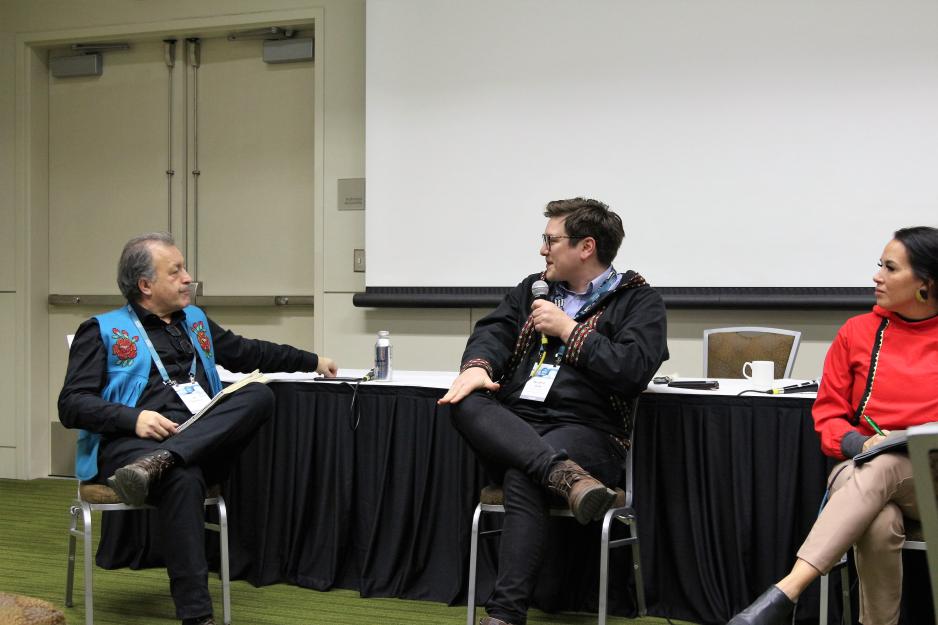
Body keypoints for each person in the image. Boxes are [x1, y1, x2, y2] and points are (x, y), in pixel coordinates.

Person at [58, 232, 338, 625]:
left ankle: (167, 459)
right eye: (176, 271)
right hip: (129, 445)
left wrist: (311, 360)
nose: (188, 277)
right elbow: (71, 404)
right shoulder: (101, 330)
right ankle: (197, 616)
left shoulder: (195, 321)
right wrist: (132, 417)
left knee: (257, 395)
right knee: (183, 479)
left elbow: (248, 353)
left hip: (194, 435)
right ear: (145, 285)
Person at [439, 197, 669, 625]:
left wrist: (569, 330)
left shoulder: (639, 302)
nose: (542, 250)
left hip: (590, 429)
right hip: (519, 421)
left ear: (585, 247)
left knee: (524, 472)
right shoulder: (532, 289)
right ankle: (564, 476)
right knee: (464, 400)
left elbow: (632, 370)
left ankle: (505, 615)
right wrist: (476, 368)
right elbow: (494, 332)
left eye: (550, 240)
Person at [728, 226, 938, 625]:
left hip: (932, 476)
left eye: (890, 268)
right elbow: (827, 416)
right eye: (880, 266)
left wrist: (905, 440)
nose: (876, 276)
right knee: (878, 521)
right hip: (862, 466)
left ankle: (787, 590)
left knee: (884, 466)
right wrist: (864, 443)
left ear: (925, 283)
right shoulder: (856, 333)